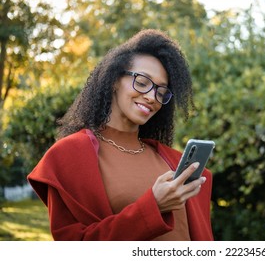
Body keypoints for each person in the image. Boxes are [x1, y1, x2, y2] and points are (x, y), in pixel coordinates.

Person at [27, 29, 213, 241]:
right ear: (114, 79)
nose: (152, 97)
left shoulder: (171, 160)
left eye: (161, 92)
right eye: (142, 82)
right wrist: (153, 206)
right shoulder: (69, 156)